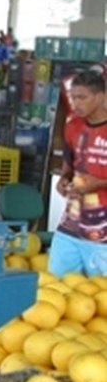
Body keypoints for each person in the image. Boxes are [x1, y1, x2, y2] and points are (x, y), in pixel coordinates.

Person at [51, 71, 107, 276]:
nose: (75, 103)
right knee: (57, 283)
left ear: (100, 97)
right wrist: (64, 180)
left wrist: (98, 184)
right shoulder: (73, 127)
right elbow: (69, 166)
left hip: (103, 228)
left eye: (82, 97)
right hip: (71, 221)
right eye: (73, 97)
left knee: (100, 294)